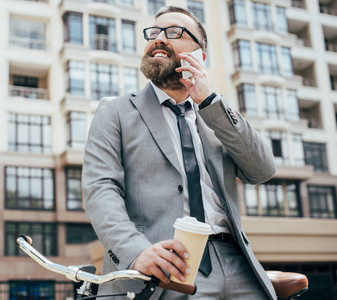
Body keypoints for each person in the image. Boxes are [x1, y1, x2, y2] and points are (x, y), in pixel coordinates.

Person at [82, 5, 277, 300]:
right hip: (163, 264)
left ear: (200, 54)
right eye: (154, 32)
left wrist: (211, 101)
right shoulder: (116, 111)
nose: (159, 38)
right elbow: (100, 188)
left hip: (236, 263)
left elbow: (261, 170)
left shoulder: (216, 116)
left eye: (173, 32)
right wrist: (136, 252)